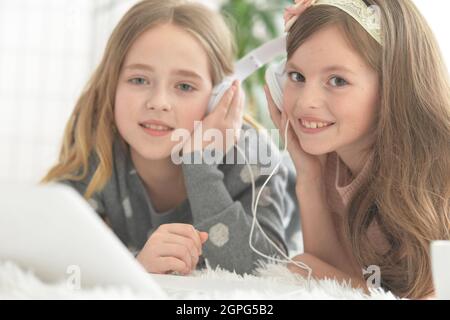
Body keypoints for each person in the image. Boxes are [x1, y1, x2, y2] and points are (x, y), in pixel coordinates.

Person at [43, 0, 299, 276]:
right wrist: (137, 267)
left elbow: (267, 273)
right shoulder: (98, 147)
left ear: (221, 97)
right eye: (139, 80)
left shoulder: (251, 154)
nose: (159, 102)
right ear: (112, 85)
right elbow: (58, 260)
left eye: (185, 86)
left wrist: (199, 165)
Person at [266, 0, 450, 298]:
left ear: (393, 86)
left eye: (337, 81)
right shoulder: (330, 162)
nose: (305, 102)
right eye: (296, 76)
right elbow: (330, 284)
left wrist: (313, 268)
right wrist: (309, 175)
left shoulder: (435, 174)